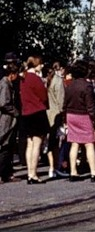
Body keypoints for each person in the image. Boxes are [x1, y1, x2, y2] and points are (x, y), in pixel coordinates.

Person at [63, 59, 95, 182]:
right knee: (89, 143)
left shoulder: (69, 85)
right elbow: (91, 106)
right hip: (84, 116)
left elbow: (65, 104)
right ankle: (93, 172)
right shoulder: (87, 86)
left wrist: (64, 120)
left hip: (71, 115)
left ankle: (73, 172)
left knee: (74, 143)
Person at [19, 55, 48, 184]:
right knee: (37, 144)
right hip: (37, 112)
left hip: (26, 113)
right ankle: (33, 174)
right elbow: (43, 95)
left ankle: (30, 173)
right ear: (36, 64)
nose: (42, 66)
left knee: (29, 144)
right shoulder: (36, 79)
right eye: (41, 64)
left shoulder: (23, 78)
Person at [45, 62, 68, 178]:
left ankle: (51, 168)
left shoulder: (46, 80)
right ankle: (55, 167)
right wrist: (64, 116)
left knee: (50, 142)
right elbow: (61, 101)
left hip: (47, 113)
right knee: (56, 143)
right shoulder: (58, 81)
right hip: (56, 114)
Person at [0, 62, 20, 183]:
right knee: (5, 146)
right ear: (12, 74)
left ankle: (6, 173)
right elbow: (3, 103)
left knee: (9, 146)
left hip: (8, 119)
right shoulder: (5, 84)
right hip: (6, 119)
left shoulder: (7, 83)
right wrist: (16, 112)